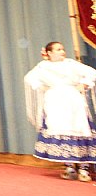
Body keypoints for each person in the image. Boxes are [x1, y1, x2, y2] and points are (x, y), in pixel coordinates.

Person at [24, 41, 96, 182]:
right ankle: (69, 168)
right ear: (49, 53)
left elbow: (92, 73)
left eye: (62, 49)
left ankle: (84, 169)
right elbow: (29, 78)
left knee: (80, 130)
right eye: (58, 49)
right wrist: (44, 88)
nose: (62, 52)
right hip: (56, 102)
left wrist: (84, 84)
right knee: (61, 131)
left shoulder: (71, 64)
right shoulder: (43, 67)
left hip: (73, 100)